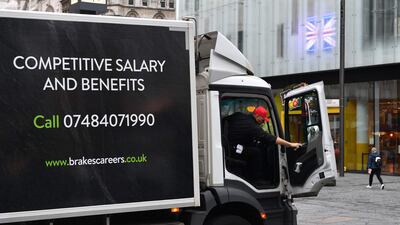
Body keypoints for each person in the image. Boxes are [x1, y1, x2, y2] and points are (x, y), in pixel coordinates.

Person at [224, 106, 302, 184]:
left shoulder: (239, 115)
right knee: (256, 153)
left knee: (254, 148)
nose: (264, 122)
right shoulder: (252, 126)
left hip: (228, 144)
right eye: (263, 119)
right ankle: (257, 180)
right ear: (257, 116)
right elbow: (270, 138)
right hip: (233, 148)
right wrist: (290, 144)